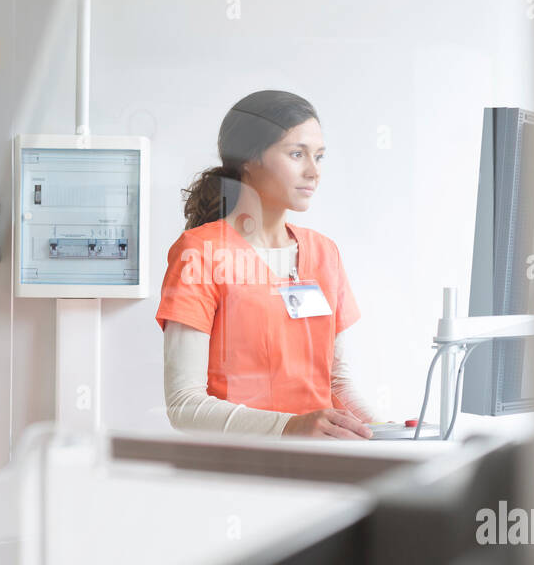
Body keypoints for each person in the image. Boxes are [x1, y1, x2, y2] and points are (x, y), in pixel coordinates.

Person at [155, 90, 377, 438]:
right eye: (296, 154)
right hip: (240, 471)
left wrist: (384, 432)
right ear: (248, 158)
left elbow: (338, 384)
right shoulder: (200, 253)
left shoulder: (324, 252)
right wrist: (290, 427)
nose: (313, 171)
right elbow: (185, 405)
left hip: (320, 464)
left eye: (319, 157)